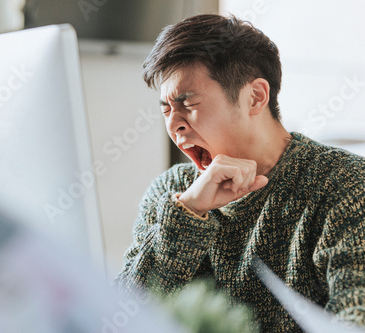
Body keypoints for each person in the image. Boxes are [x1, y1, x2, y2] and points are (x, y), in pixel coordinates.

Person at [114, 14, 365, 332]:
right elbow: (118, 317)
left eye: (188, 102)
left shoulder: (346, 185)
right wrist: (188, 212)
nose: (174, 124)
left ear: (256, 97)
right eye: (165, 108)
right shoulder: (173, 193)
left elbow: (355, 318)